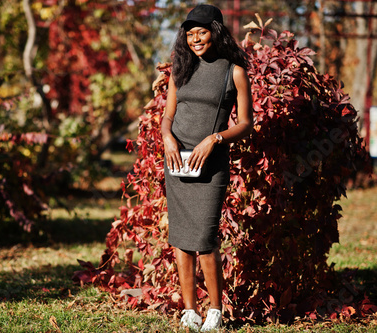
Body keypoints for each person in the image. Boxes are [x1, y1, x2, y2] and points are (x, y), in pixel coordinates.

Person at [161, 4, 253, 331]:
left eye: (201, 32)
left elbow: (246, 124)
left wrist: (214, 139)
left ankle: (215, 309)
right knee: (182, 239)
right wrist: (167, 138)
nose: (196, 39)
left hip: (211, 166)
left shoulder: (234, 71)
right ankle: (190, 310)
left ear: (215, 31)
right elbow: (168, 115)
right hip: (177, 161)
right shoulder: (180, 68)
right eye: (190, 33)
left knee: (205, 239)